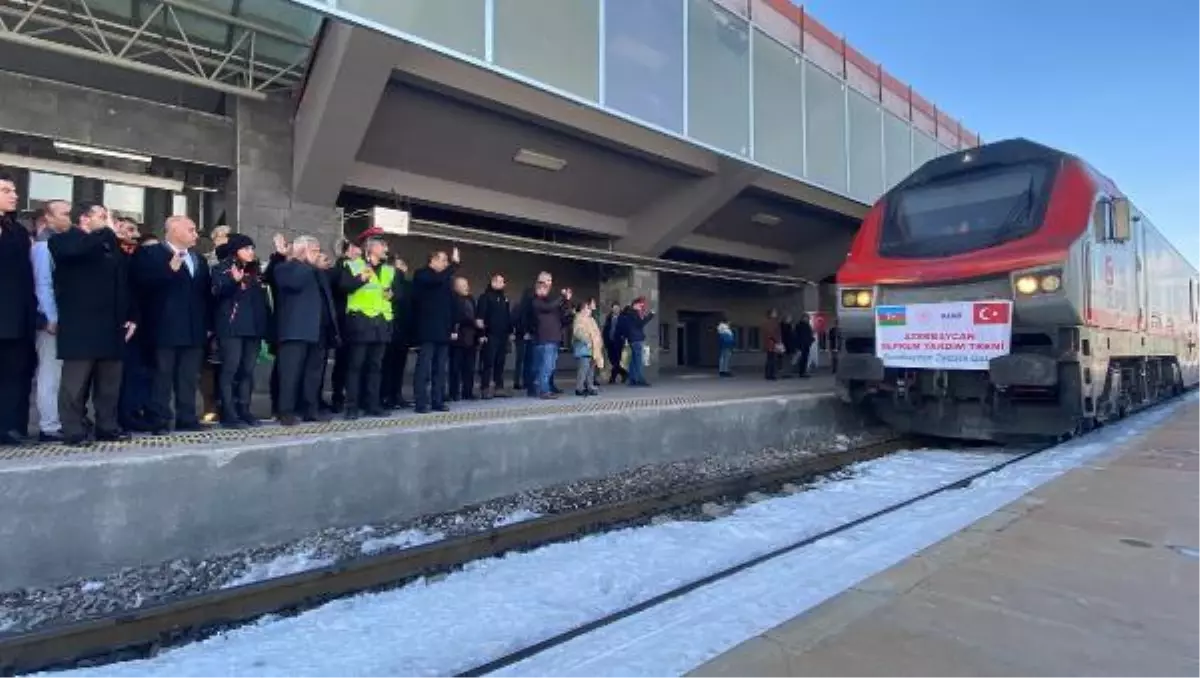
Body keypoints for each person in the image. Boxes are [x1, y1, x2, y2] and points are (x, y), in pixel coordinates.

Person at [49, 202, 138, 446]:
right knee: (75, 385)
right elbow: (76, 252)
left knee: (109, 383)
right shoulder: (64, 240)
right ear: (84, 219)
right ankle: (73, 429)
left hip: (111, 325)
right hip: (81, 325)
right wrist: (106, 231)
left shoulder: (110, 244)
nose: (109, 220)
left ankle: (107, 426)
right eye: (102, 215)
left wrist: (131, 316)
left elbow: (124, 281)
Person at [134, 215, 211, 433]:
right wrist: (169, 271)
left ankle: (187, 418)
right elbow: (143, 286)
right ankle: (159, 420)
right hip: (163, 328)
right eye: (191, 229)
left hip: (193, 329)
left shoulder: (199, 260)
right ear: (174, 230)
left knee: (188, 377)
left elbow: (204, 295)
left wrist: (207, 325)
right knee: (162, 377)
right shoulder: (151, 254)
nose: (195, 234)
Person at [272, 236, 339, 426]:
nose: (318, 254)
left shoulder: (316, 272)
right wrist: (297, 258)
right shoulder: (286, 268)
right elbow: (294, 283)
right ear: (303, 250)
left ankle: (311, 409)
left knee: (313, 374)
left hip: (318, 330)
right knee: (290, 373)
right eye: (314, 250)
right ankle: (285, 411)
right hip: (295, 330)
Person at [211, 234, 270, 428]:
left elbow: (261, 302)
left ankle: (244, 409)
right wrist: (233, 282)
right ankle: (229, 413)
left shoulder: (256, 272)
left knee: (247, 371)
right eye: (247, 248)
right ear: (236, 250)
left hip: (252, 329)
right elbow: (217, 293)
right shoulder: (222, 268)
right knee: (230, 370)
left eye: (252, 248)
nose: (251, 252)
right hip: (231, 328)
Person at [337, 236, 395, 419]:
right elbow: (344, 286)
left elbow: (395, 293)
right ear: (371, 248)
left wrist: (392, 294)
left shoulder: (388, 270)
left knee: (375, 367)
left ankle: (373, 405)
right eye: (383, 245)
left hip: (381, 322)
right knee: (355, 365)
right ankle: (352, 407)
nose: (386, 248)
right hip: (360, 322)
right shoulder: (354, 265)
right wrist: (361, 278)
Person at [30, 199, 71, 443]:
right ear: (48, 218)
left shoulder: (57, 244)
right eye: (64, 213)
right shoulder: (44, 247)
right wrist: (51, 317)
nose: (70, 218)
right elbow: (42, 284)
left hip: (61, 318)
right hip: (50, 322)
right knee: (50, 372)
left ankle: (56, 421)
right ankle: (49, 425)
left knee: (59, 373)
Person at [0, 173, 36, 446]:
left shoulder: (20, 231)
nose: (14, 195)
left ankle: (12, 427)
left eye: (13, 190)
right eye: (6, 190)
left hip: (17, 316)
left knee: (16, 374)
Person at [411, 247, 460, 414]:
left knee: (440, 369)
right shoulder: (422, 274)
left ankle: (437, 400)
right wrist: (453, 265)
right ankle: (421, 402)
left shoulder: (446, 280)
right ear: (432, 260)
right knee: (424, 368)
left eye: (447, 261)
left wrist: (453, 326)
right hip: (427, 329)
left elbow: (451, 304)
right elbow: (434, 281)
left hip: (443, 330)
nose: (446, 264)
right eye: (443, 260)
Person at [199, 225, 231, 424]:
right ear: (214, 238)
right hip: (211, 319)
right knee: (209, 367)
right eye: (223, 236)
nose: (226, 239)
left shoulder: (241, 261)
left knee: (229, 366)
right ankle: (210, 408)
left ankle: (228, 407)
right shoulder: (206, 260)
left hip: (231, 322)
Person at [531, 279, 573, 399]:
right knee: (546, 366)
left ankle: (543, 388)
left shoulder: (550, 303)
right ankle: (543, 390)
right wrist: (561, 296)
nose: (546, 291)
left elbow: (563, 313)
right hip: (545, 338)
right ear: (538, 289)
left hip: (554, 338)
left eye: (547, 288)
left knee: (550, 366)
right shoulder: (536, 302)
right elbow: (549, 307)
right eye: (543, 288)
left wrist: (567, 300)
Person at [381, 256, 413, 409]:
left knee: (399, 366)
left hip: (404, 330)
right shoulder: (389, 281)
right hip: (391, 328)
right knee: (388, 365)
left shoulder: (408, 284)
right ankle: (386, 395)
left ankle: (396, 394)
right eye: (400, 264)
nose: (403, 267)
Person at [475, 273, 512, 399]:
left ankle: (498, 388)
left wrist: (509, 333)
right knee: (488, 362)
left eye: (503, 282)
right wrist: (482, 334)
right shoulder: (485, 297)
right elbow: (480, 317)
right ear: (493, 282)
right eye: (499, 281)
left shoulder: (504, 299)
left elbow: (508, 317)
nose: (502, 284)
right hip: (490, 335)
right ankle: (485, 388)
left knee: (500, 362)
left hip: (502, 336)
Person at [448, 276, 479, 401]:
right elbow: (456, 317)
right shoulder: (453, 299)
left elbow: (476, 315)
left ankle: (468, 391)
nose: (466, 287)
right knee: (455, 367)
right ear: (456, 287)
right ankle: (454, 392)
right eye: (462, 285)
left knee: (469, 367)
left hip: (471, 338)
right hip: (458, 338)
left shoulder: (471, 299)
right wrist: (473, 321)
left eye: (466, 284)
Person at [616, 297, 655, 387]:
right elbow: (640, 323)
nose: (641, 307)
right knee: (638, 361)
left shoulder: (628, 313)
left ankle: (633, 380)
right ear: (635, 305)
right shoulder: (633, 313)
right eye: (640, 305)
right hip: (637, 339)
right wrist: (651, 315)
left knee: (633, 361)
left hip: (632, 339)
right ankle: (640, 380)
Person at [571, 298, 604, 397]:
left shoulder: (591, 319)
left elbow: (596, 332)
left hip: (593, 348)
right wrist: (587, 340)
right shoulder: (579, 318)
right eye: (587, 308)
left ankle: (590, 386)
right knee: (583, 368)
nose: (589, 310)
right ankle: (579, 387)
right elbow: (578, 332)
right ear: (582, 309)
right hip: (584, 348)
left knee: (591, 369)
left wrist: (599, 342)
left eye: (589, 308)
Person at [602, 302, 627, 385]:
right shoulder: (609, 318)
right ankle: (624, 373)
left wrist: (623, 337)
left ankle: (612, 378)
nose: (616, 310)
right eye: (614, 308)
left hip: (618, 342)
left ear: (619, 309)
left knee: (616, 360)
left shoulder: (623, 318)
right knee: (612, 360)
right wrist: (605, 339)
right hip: (609, 342)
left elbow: (625, 329)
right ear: (612, 309)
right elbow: (605, 329)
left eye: (617, 308)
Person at [762, 309, 784, 380]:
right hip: (772, 343)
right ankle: (771, 374)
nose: (776, 314)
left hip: (771, 343)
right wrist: (777, 341)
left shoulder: (770, 322)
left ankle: (769, 374)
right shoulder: (771, 322)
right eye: (774, 312)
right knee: (772, 359)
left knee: (770, 359)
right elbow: (772, 333)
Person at [795, 313, 815, 378]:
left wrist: (811, 339)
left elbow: (809, 334)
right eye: (806, 318)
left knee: (805, 358)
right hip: (802, 344)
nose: (807, 319)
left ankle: (803, 371)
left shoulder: (807, 325)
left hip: (806, 344)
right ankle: (802, 372)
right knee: (802, 358)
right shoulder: (800, 326)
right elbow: (798, 336)